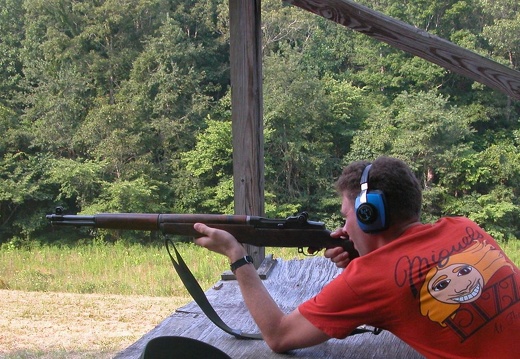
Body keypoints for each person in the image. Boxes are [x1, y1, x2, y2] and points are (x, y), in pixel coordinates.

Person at [193, 156, 520, 358]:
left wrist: (236, 255)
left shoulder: (371, 278)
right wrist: (363, 259)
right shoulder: (465, 228)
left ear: (369, 215)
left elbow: (279, 336)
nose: (344, 226)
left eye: (347, 215)